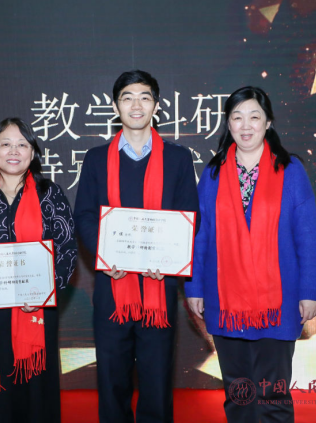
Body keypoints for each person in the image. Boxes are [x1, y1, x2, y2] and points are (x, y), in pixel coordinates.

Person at [185, 86, 316, 423]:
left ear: (268, 122)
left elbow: (307, 237)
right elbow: (199, 237)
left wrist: (309, 292)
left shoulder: (291, 171)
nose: (245, 126)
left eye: (254, 117)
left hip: (278, 302)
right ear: (228, 124)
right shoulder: (212, 174)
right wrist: (194, 287)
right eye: (237, 117)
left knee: (273, 397)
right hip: (225, 301)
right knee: (239, 396)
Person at [74, 70, 200, 423]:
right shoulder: (96, 158)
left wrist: (170, 259)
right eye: (127, 97)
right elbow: (84, 215)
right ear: (116, 106)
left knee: (156, 379)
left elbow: (190, 215)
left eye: (145, 97)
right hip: (111, 287)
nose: (136, 105)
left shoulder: (177, 158)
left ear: (156, 106)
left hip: (159, 285)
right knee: (111, 378)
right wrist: (105, 254)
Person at [0, 117, 77, 423]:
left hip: (36, 309)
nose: (14, 151)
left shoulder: (50, 194)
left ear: (32, 153)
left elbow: (67, 249)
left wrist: (46, 292)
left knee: (37, 392)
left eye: (22, 144)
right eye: (5, 144)